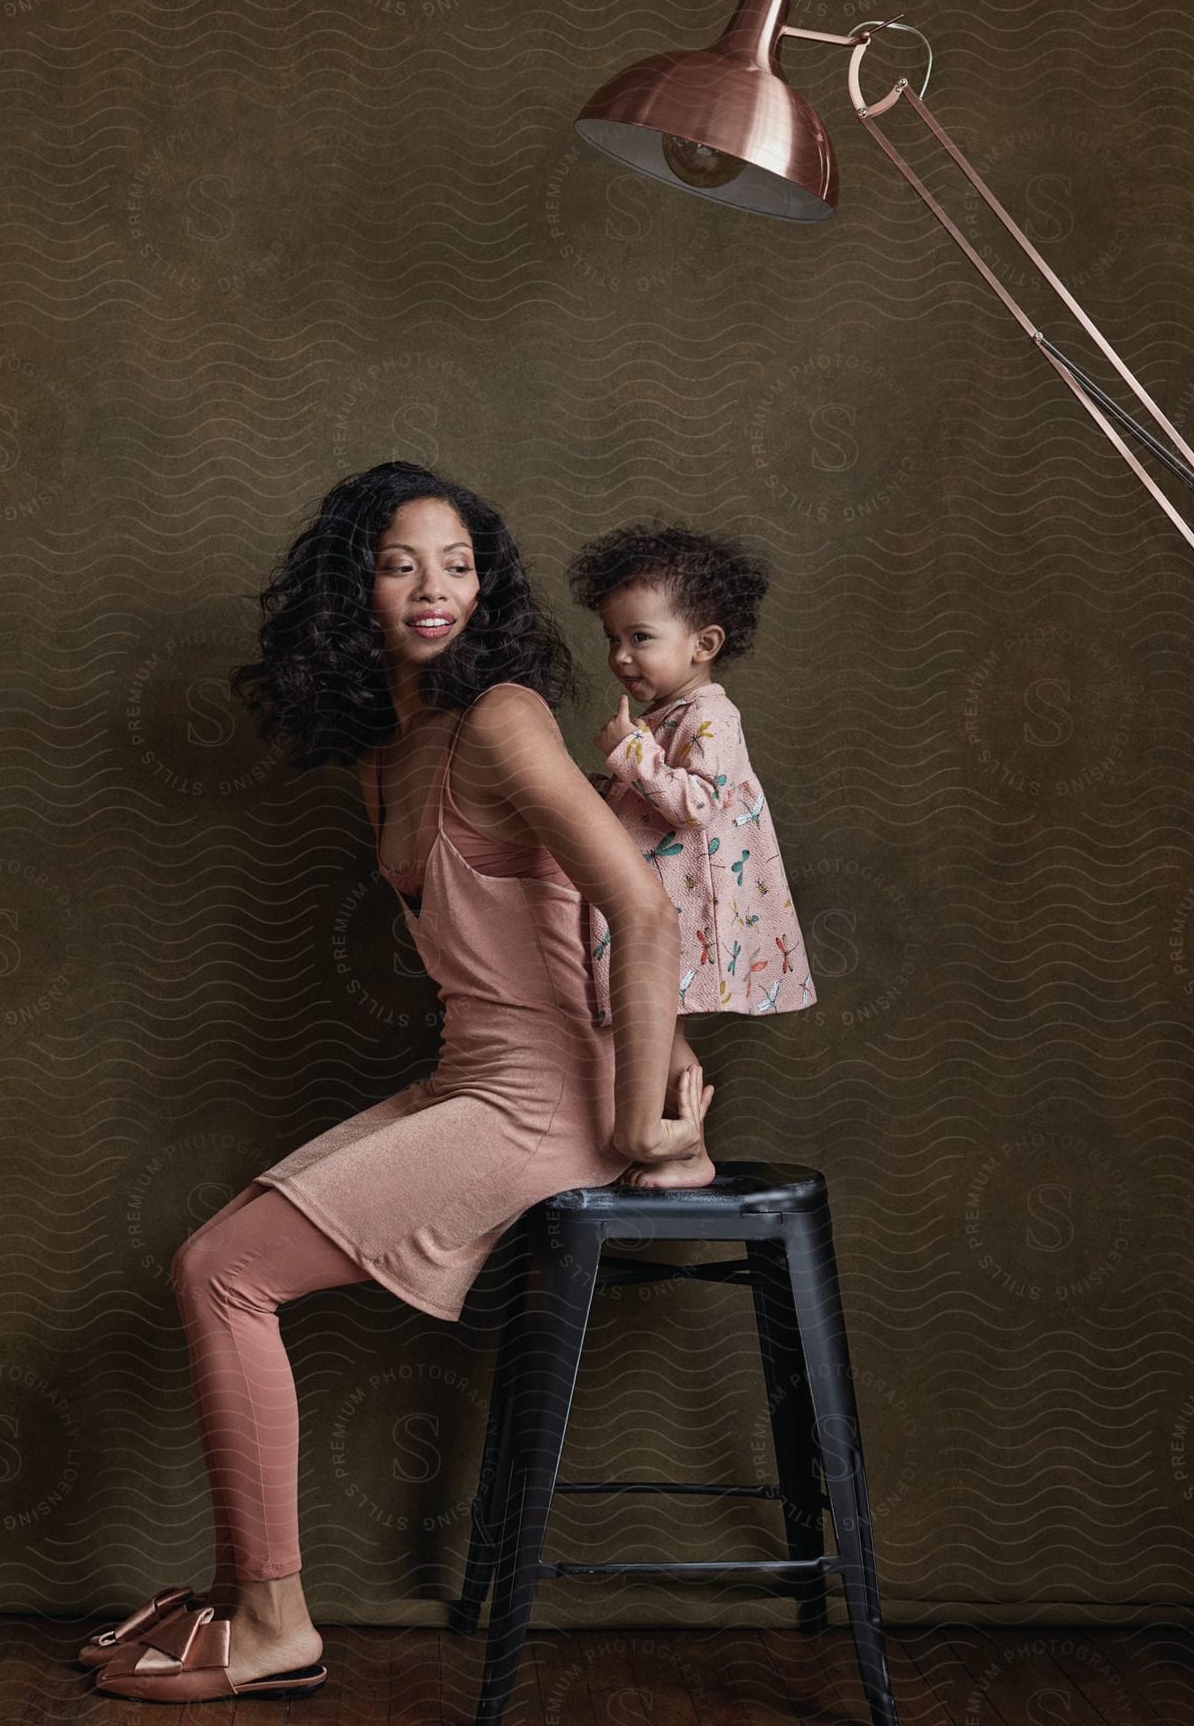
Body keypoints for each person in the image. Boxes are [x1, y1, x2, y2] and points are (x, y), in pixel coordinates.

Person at [85, 462, 715, 1703]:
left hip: (545, 1104)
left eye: (460, 564)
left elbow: (639, 911)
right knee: (214, 1266)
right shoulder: (390, 750)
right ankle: (242, 1596)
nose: (435, 591)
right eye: (399, 563)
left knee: (222, 1273)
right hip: (468, 1078)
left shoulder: (502, 718)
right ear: (349, 588)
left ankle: (275, 1625)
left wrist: (645, 1112)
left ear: (489, 585)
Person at [567, 520, 816, 1193]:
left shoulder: (710, 717)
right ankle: (669, 1143)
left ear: (703, 644)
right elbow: (648, 804)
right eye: (612, 640)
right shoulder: (666, 718)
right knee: (643, 1027)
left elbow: (696, 803)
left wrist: (629, 755)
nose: (620, 657)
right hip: (654, 903)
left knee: (652, 1025)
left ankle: (686, 1149)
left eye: (639, 638)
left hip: (684, 910)